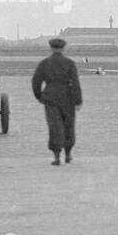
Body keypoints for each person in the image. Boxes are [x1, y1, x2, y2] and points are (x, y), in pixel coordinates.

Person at [31, 37, 82, 165]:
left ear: (51, 48)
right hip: (67, 97)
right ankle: (68, 153)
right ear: (63, 48)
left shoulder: (44, 63)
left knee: (54, 127)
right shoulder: (70, 63)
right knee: (68, 126)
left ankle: (56, 156)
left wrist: (39, 96)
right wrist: (77, 100)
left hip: (50, 98)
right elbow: (75, 83)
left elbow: (36, 81)